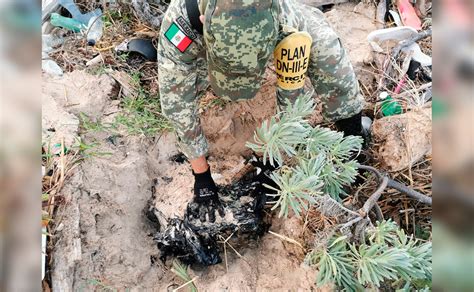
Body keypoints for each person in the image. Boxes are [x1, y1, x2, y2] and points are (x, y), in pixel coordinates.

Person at [157, 0, 366, 223]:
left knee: (328, 53)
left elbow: (291, 94)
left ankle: (354, 138)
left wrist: (277, 154)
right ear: (202, 21)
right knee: (181, 80)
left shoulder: (286, 21)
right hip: (204, 40)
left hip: (275, 26)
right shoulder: (182, 21)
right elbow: (177, 104)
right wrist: (202, 177)